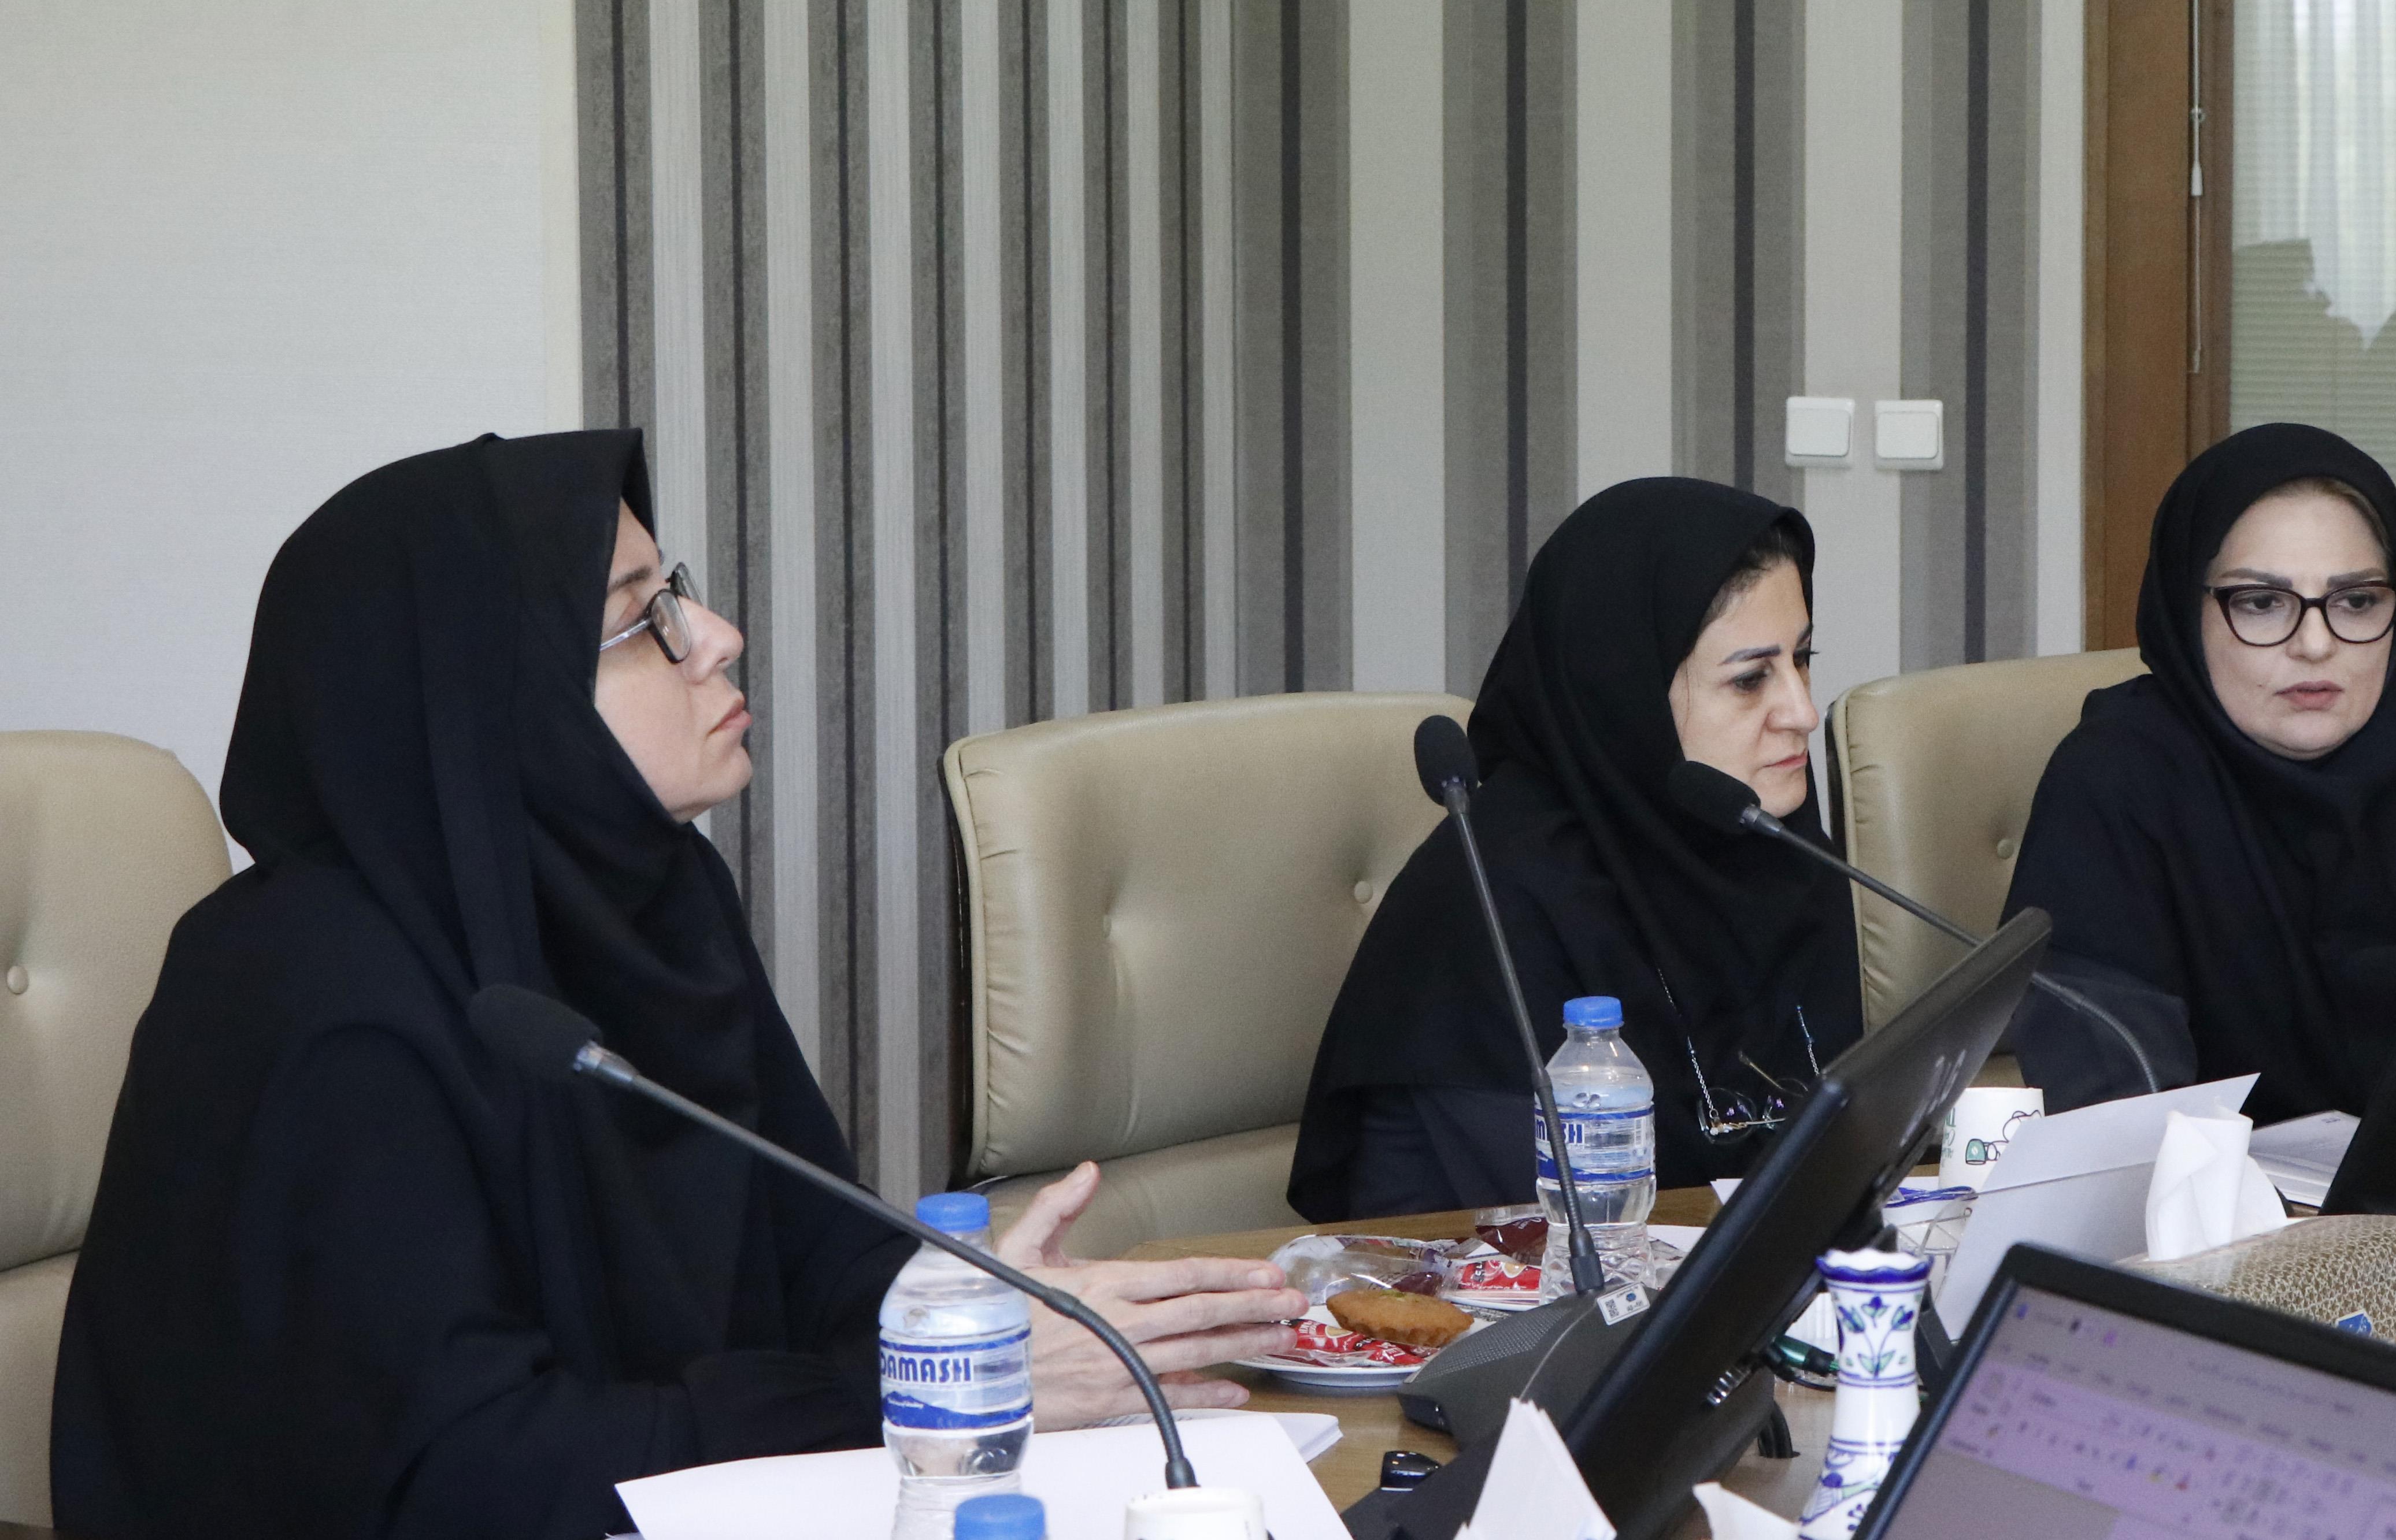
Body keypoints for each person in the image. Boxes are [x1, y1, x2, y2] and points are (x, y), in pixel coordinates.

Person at [52, 432, 1299, 1540]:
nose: (716, 638)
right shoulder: (305, 992)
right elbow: (463, 1474)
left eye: (676, 594)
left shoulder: (650, 895)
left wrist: (966, 1313)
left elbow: (812, 1250)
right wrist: (906, 1390)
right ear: (490, 690)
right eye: (640, 618)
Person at [1288, 477, 1862, 1223]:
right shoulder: (1489, 899)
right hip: (1493, 1283)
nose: (1803, 711)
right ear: (1625, 690)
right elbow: (1560, 1233)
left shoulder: (1776, 847)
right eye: (1751, 678)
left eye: (1803, 658)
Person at [2001, 424, 2396, 1120]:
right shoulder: (2116, 780)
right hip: (2216, 1189)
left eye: (2357, 600)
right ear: (2186, 609)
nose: (2316, 643)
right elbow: (2109, 1100)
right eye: (2262, 602)